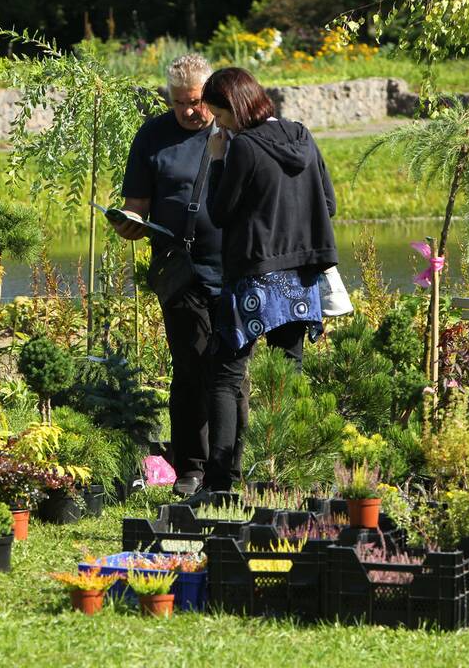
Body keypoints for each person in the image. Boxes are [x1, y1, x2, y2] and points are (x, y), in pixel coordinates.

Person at [113, 54, 249, 496]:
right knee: (189, 369)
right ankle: (191, 467)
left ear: (212, 96)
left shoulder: (233, 131)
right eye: (180, 103)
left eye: (197, 101)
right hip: (180, 271)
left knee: (229, 375)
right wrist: (128, 223)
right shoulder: (153, 136)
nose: (191, 111)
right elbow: (136, 205)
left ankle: (228, 467)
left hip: (233, 269)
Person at [203, 66, 338, 483]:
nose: (219, 125)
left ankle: (222, 481)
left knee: (226, 374)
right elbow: (328, 203)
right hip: (301, 276)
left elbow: (220, 213)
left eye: (220, 116)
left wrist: (218, 162)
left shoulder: (242, 148)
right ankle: (288, 478)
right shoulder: (303, 135)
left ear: (236, 108)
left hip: (255, 276)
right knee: (288, 374)